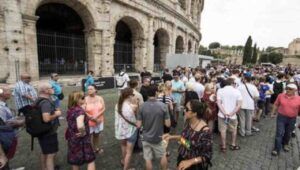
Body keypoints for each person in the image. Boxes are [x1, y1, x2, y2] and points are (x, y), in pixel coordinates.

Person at [163, 100, 212, 170]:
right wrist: (171, 137)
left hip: (194, 166)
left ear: (194, 113)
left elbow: (207, 156)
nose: (184, 110)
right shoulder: (189, 122)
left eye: (187, 109)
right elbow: (187, 143)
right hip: (182, 158)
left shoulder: (205, 131)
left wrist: (190, 162)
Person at [137, 85, 171, 170]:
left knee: (148, 159)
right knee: (163, 155)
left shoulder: (142, 106)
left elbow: (138, 125)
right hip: (158, 137)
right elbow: (168, 124)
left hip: (146, 137)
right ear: (156, 92)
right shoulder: (163, 106)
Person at [66, 91, 96, 170]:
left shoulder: (70, 109)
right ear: (77, 100)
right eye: (82, 97)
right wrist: (83, 132)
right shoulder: (79, 111)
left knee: (75, 161)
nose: (84, 98)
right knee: (90, 160)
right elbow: (80, 125)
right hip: (82, 140)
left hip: (72, 138)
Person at [36, 82, 62, 170]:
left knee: (45, 152)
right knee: (51, 154)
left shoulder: (38, 99)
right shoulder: (45, 103)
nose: (53, 89)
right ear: (46, 91)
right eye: (51, 88)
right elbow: (46, 119)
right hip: (48, 132)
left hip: (42, 131)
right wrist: (56, 114)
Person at [271, 83, 300, 156]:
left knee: (288, 133)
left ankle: (285, 144)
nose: (288, 90)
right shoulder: (281, 95)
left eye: (290, 89)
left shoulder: (298, 98)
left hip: (292, 118)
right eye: (287, 88)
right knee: (279, 133)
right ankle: (276, 148)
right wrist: (273, 113)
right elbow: (276, 104)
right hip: (281, 117)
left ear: (295, 90)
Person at [0, 86, 25, 170]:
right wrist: (21, 123)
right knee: (3, 161)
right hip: (3, 140)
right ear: (1, 93)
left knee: (6, 158)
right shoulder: (0, 108)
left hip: (8, 138)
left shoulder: (3, 105)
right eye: (9, 91)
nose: (11, 93)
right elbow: (3, 126)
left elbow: (7, 121)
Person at [115, 88, 138, 170]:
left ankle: (124, 161)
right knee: (129, 152)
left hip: (121, 131)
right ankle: (126, 168)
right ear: (129, 96)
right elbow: (135, 120)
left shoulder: (118, 105)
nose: (133, 96)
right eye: (133, 95)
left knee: (123, 146)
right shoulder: (131, 107)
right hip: (130, 131)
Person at [217, 78, 242, 152]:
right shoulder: (237, 91)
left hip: (222, 115)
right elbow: (239, 105)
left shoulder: (220, 90)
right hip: (232, 116)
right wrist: (231, 113)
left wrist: (225, 113)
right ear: (232, 83)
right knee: (234, 130)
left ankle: (224, 146)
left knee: (223, 130)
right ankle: (233, 144)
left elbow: (219, 103)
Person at [84, 85, 105, 154]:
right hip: (89, 121)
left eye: (91, 89)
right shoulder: (84, 99)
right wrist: (92, 118)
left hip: (99, 120)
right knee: (88, 137)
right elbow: (83, 110)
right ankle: (88, 150)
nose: (89, 90)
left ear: (95, 90)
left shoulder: (100, 98)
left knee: (96, 135)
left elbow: (103, 108)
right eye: (88, 89)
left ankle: (96, 148)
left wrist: (97, 117)